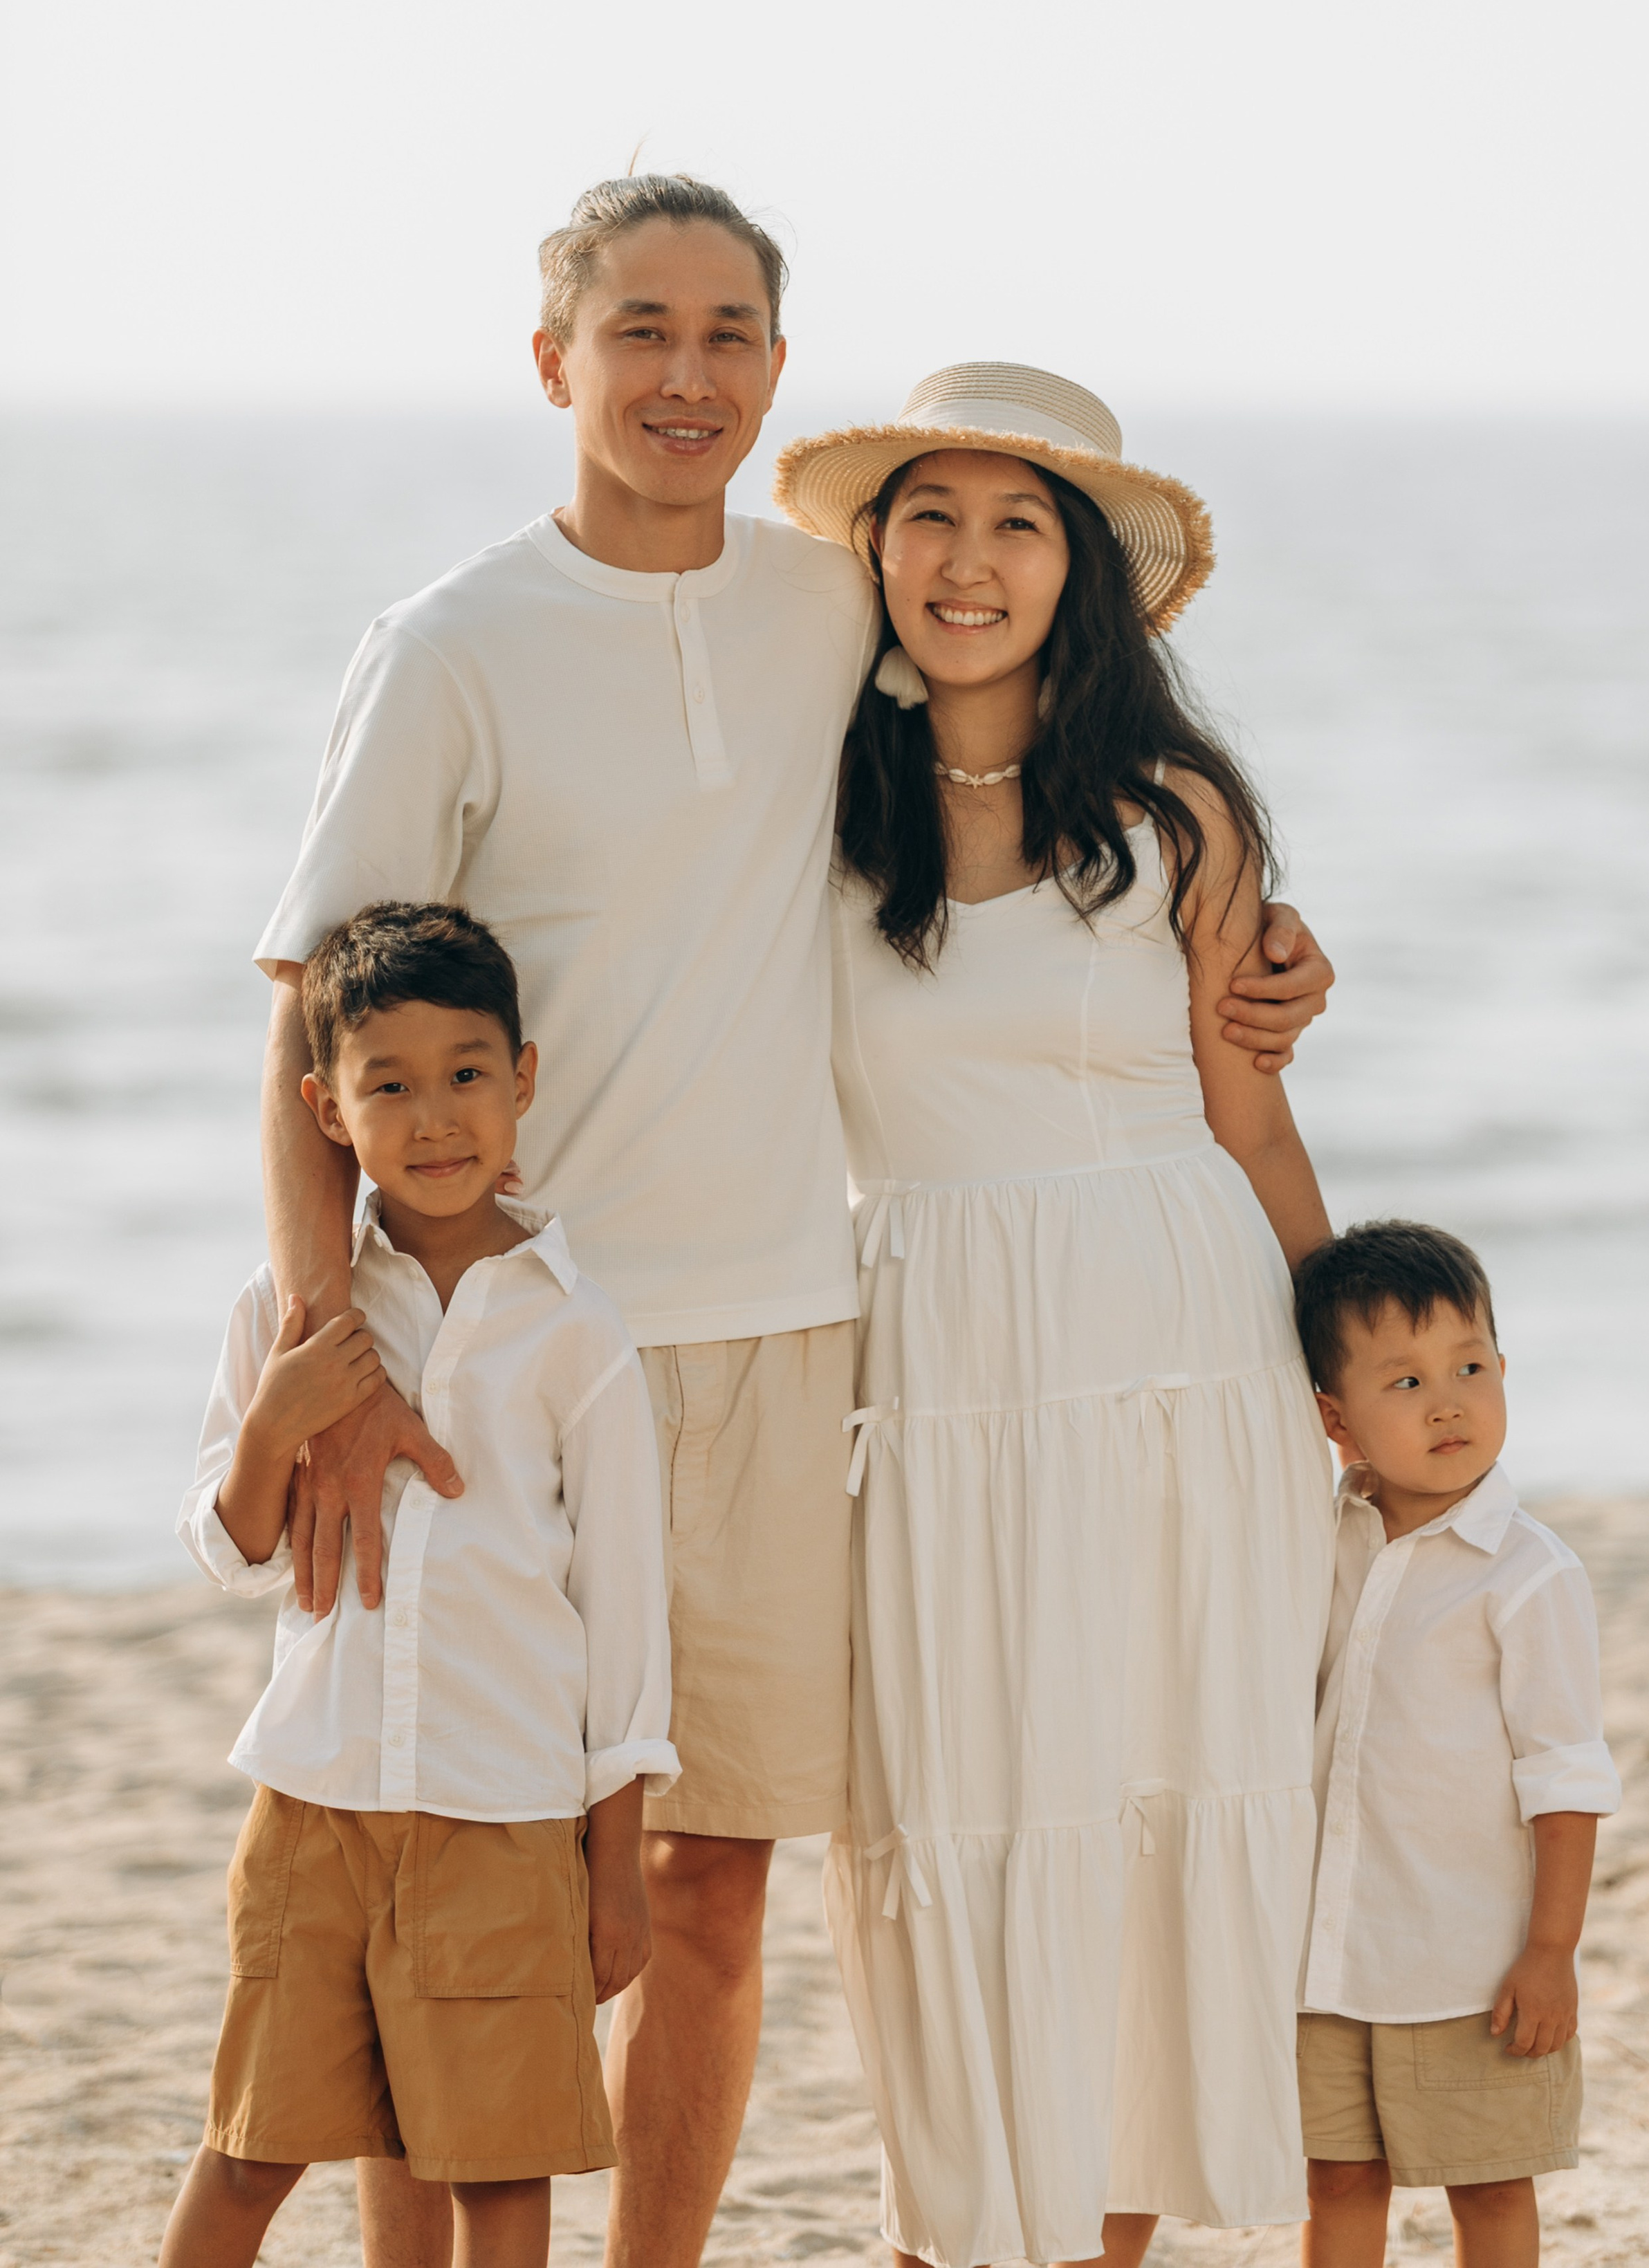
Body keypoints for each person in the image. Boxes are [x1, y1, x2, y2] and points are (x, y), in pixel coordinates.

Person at [257, 177, 1336, 2268]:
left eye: (729, 331)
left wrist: (1272, 965)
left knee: (713, 1884)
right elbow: (322, 1003)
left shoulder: (814, 620)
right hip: (515, 1333)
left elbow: (1119, 871)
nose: (684, 372)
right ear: (553, 355)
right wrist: (331, 1323)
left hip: (786, 1334)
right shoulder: (463, 646)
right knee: (453, 1851)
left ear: (772, 368)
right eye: (640, 328)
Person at [772, 363, 1341, 2268]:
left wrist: (1344, 1374)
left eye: (1020, 521)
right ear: (873, 554)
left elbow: (1249, 1108)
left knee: (1152, 1794)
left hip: (1185, 1341)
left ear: (1080, 572)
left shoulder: (1174, 814)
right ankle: (954, 2233)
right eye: (929, 513)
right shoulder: (808, 819)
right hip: (934, 1360)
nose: (969, 559)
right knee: (954, 1807)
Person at [162, 904, 675, 2268]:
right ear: (326, 1109)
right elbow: (233, 1552)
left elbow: (624, 1619)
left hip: (504, 1820)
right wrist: (276, 1423)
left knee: (500, 2176)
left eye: (465, 1074)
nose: (434, 1118)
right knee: (251, 2146)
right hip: (312, 1807)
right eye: (387, 1085)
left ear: (523, 1080)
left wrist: (613, 1869)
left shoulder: (578, 1332)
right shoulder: (290, 1309)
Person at [1290, 1219, 1622, 2268]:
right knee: (1336, 2179)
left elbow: (1564, 1776)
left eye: (1470, 1367)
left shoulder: (1528, 1574)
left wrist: (1551, 1952)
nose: (1448, 1402)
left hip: (1472, 1966)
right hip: (1325, 1955)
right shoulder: (1319, 1541)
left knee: (1487, 2188)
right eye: (1405, 1382)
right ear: (1335, 1421)